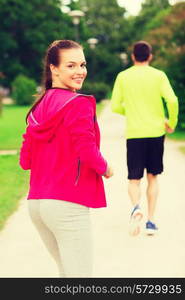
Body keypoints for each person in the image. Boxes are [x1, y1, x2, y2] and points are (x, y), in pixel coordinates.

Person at [19, 39, 113, 277]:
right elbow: (86, 149)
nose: (80, 71)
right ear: (54, 68)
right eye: (71, 66)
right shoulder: (78, 104)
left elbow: (25, 161)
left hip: (37, 205)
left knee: (67, 275)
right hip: (67, 205)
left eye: (82, 64)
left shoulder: (38, 107)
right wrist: (106, 168)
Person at [111, 41, 178, 236]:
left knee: (134, 178)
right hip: (156, 132)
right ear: (150, 56)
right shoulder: (159, 76)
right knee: (153, 177)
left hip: (134, 133)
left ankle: (136, 208)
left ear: (133, 56)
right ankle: (151, 221)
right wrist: (170, 122)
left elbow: (115, 106)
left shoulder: (123, 77)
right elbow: (172, 100)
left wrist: (131, 112)